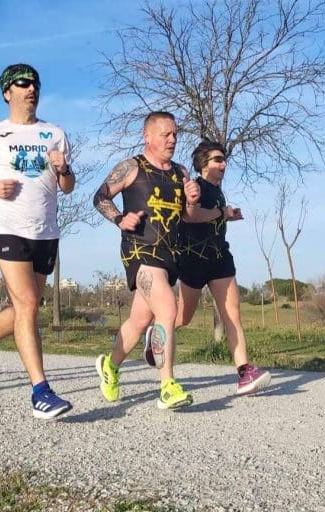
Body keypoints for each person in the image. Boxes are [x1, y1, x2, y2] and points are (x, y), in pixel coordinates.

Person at [0, 63, 76, 419]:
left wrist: (64, 169)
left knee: (28, 306)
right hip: (5, 225)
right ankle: (40, 391)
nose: (31, 89)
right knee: (26, 303)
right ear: (7, 92)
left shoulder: (55, 133)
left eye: (35, 83)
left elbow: (67, 188)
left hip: (45, 230)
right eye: (23, 83)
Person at [92, 111, 204, 410]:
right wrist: (120, 218)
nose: (172, 139)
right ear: (147, 136)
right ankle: (167, 386)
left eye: (175, 134)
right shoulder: (131, 167)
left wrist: (192, 201)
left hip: (169, 254)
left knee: (140, 320)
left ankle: (110, 366)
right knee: (167, 309)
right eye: (166, 134)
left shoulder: (181, 172)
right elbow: (100, 197)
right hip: (139, 250)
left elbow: (188, 217)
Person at [173, 140, 271, 394]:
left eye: (224, 159)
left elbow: (213, 217)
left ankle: (244, 372)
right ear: (204, 165)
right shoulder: (196, 187)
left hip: (220, 259)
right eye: (218, 159)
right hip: (193, 260)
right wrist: (222, 213)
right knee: (182, 318)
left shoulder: (217, 190)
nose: (224, 164)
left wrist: (228, 216)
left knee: (233, 315)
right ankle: (159, 332)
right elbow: (190, 216)